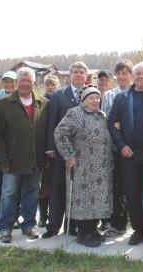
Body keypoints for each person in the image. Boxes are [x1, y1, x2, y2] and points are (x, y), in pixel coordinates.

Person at [108, 61, 143, 245]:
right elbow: (111, 123)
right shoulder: (122, 98)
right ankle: (138, 230)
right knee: (132, 193)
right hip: (129, 154)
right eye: (138, 73)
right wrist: (121, 145)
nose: (141, 76)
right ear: (133, 75)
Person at [0, 67, 48, 243]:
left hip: (35, 159)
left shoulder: (43, 103)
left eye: (28, 81)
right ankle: (5, 228)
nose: (25, 83)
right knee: (9, 193)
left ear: (33, 83)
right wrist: (2, 160)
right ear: (16, 82)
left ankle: (28, 225)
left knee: (31, 193)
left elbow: (46, 132)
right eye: (22, 80)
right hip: (12, 160)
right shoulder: (3, 104)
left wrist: (45, 156)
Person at [54, 85, 113, 248]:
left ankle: (93, 230)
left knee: (98, 200)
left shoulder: (102, 115)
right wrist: (69, 155)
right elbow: (60, 133)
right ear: (84, 100)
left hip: (101, 167)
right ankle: (83, 234)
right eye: (91, 98)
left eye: (97, 98)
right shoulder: (75, 113)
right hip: (82, 166)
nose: (95, 101)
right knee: (83, 200)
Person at [43, 61, 89, 238]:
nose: (78, 75)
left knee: (77, 190)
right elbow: (51, 123)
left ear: (86, 76)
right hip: (61, 150)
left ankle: (73, 226)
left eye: (81, 72)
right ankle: (53, 226)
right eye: (75, 72)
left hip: (83, 152)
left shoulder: (90, 94)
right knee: (57, 188)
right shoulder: (59, 95)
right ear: (69, 75)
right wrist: (49, 147)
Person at [100, 60, 133, 236]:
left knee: (134, 187)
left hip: (136, 148)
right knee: (117, 187)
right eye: (118, 73)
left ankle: (137, 224)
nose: (121, 76)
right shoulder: (109, 96)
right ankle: (118, 224)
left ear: (131, 74)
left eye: (124, 73)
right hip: (115, 148)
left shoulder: (140, 92)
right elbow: (106, 122)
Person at [0, 71, 17, 229]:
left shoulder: (22, 99)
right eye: (6, 81)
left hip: (14, 153)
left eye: (12, 81)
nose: (9, 85)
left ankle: (13, 216)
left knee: (12, 187)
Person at [38, 74, 61, 228]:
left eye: (53, 84)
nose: (51, 87)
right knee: (44, 185)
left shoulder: (60, 99)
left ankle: (58, 215)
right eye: (48, 85)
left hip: (60, 147)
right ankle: (43, 215)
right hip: (46, 148)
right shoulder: (42, 102)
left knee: (57, 185)